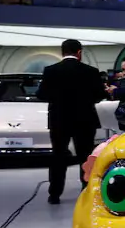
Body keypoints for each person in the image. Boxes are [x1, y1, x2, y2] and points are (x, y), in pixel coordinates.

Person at [37, 40, 108, 204]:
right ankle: (87, 191)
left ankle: (54, 194)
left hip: (59, 120)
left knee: (58, 156)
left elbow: (42, 94)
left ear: (62, 52)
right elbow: (99, 95)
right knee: (85, 156)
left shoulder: (51, 71)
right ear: (79, 52)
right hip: (84, 120)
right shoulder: (91, 71)